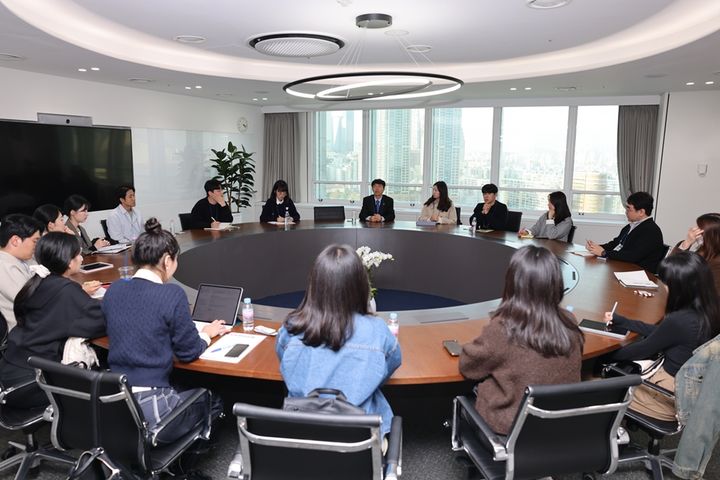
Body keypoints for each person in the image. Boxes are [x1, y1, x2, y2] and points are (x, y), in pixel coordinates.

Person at [102, 218, 228, 444]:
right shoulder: (171, 295)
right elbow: (189, 352)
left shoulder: (115, 289)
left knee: (181, 384)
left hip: (115, 399)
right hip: (151, 405)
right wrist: (207, 334)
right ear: (167, 260)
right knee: (212, 398)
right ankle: (181, 465)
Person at [276, 244, 401, 435]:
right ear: (360, 285)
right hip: (361, 439)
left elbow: (284, 361)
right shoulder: (377, 330)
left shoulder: (292, 327)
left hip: (300, 434)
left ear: (315, 284)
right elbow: (392, 363)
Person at [459, 245, 584, 435]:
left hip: (511, 424)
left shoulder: (504, 328)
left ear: (513, 282)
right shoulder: (569, 321)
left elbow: (468, 367)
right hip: (560, 422)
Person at [604, 252, 720, 421]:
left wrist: (603, 358)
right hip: (693, 390)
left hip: (667, 396)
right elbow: (664, 334)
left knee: (594, 383)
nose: (663, 287)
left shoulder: (680, 320)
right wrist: (624, 322)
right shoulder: (709, 309)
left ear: (680, 286)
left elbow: (640, 350)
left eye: (666, 283)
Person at [0, 232, 106, 407]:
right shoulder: (66, 290)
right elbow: (100, 323)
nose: (81, 258)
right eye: (78, 254)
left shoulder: (38, 282)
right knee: (107, 372)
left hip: (11, 372)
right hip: (31, 383)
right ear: (68, 261)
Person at [586, 191, 665, 272]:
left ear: (641, 212)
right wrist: (596, 247)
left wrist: (604, 253)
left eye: (629, 209)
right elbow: (615, 244)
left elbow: (632, 256)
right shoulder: (631, 226)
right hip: (625, 267)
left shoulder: (651, 231)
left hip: (640, 273)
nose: (626, 212)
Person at [0, 214, 42, 332]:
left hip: (36, 322)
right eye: (35, 241)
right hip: (26, 332)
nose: (36, 246)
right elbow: (33, 301)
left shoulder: (22, 259)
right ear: (15, 241)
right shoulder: (4, 266)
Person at [671, 213, 720, 297]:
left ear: (710, 234)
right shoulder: (704, 250)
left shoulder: (716, 262)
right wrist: (687, 243)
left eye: (699, 229)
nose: (694, 231)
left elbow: (673, 269)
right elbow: (670, 267)